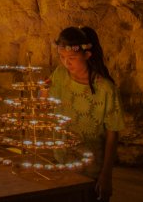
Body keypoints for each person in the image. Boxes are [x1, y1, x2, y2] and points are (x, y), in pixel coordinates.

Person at [49, 27, 124, 202]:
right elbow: (46, 98)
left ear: (87, 55)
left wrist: (106, 175)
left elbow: (113, 134)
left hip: (90, 171)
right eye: (62, 58)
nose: (66, 63)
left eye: (72, 58)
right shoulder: (60, 75)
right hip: (60, 163)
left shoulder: (106, 90)